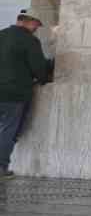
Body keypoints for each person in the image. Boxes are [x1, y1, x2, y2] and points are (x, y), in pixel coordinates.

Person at [0, 10, 52, 177]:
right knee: (8, 130)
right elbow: (39, 68)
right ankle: (1, 166)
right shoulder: (29, 40)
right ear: (30, 21)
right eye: (37, 24)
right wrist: (44, 78)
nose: (37, 27)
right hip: (13, 93)